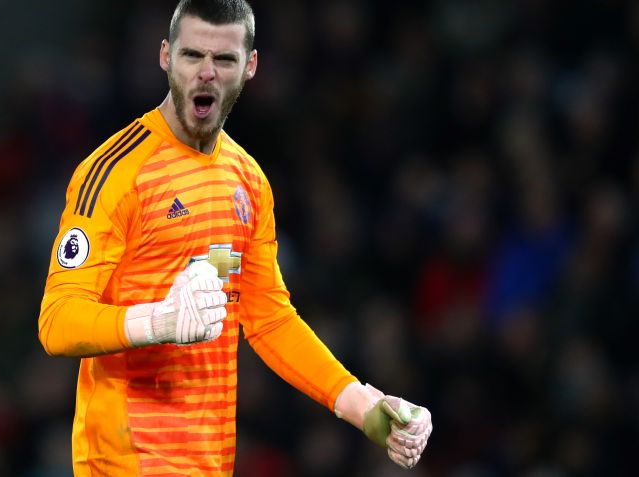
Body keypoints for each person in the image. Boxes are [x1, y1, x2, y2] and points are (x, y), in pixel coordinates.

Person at [37, 0, 433, 474]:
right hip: (125, 460)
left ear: (250, 66)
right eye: (191, 55)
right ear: (165, 56)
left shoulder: (248, 181)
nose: (206, 73)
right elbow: (57, 321)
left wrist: (364, 407)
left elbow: (269, 319)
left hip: (210, 462)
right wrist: (158, 322)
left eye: (223, 59)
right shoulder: (114, 173)